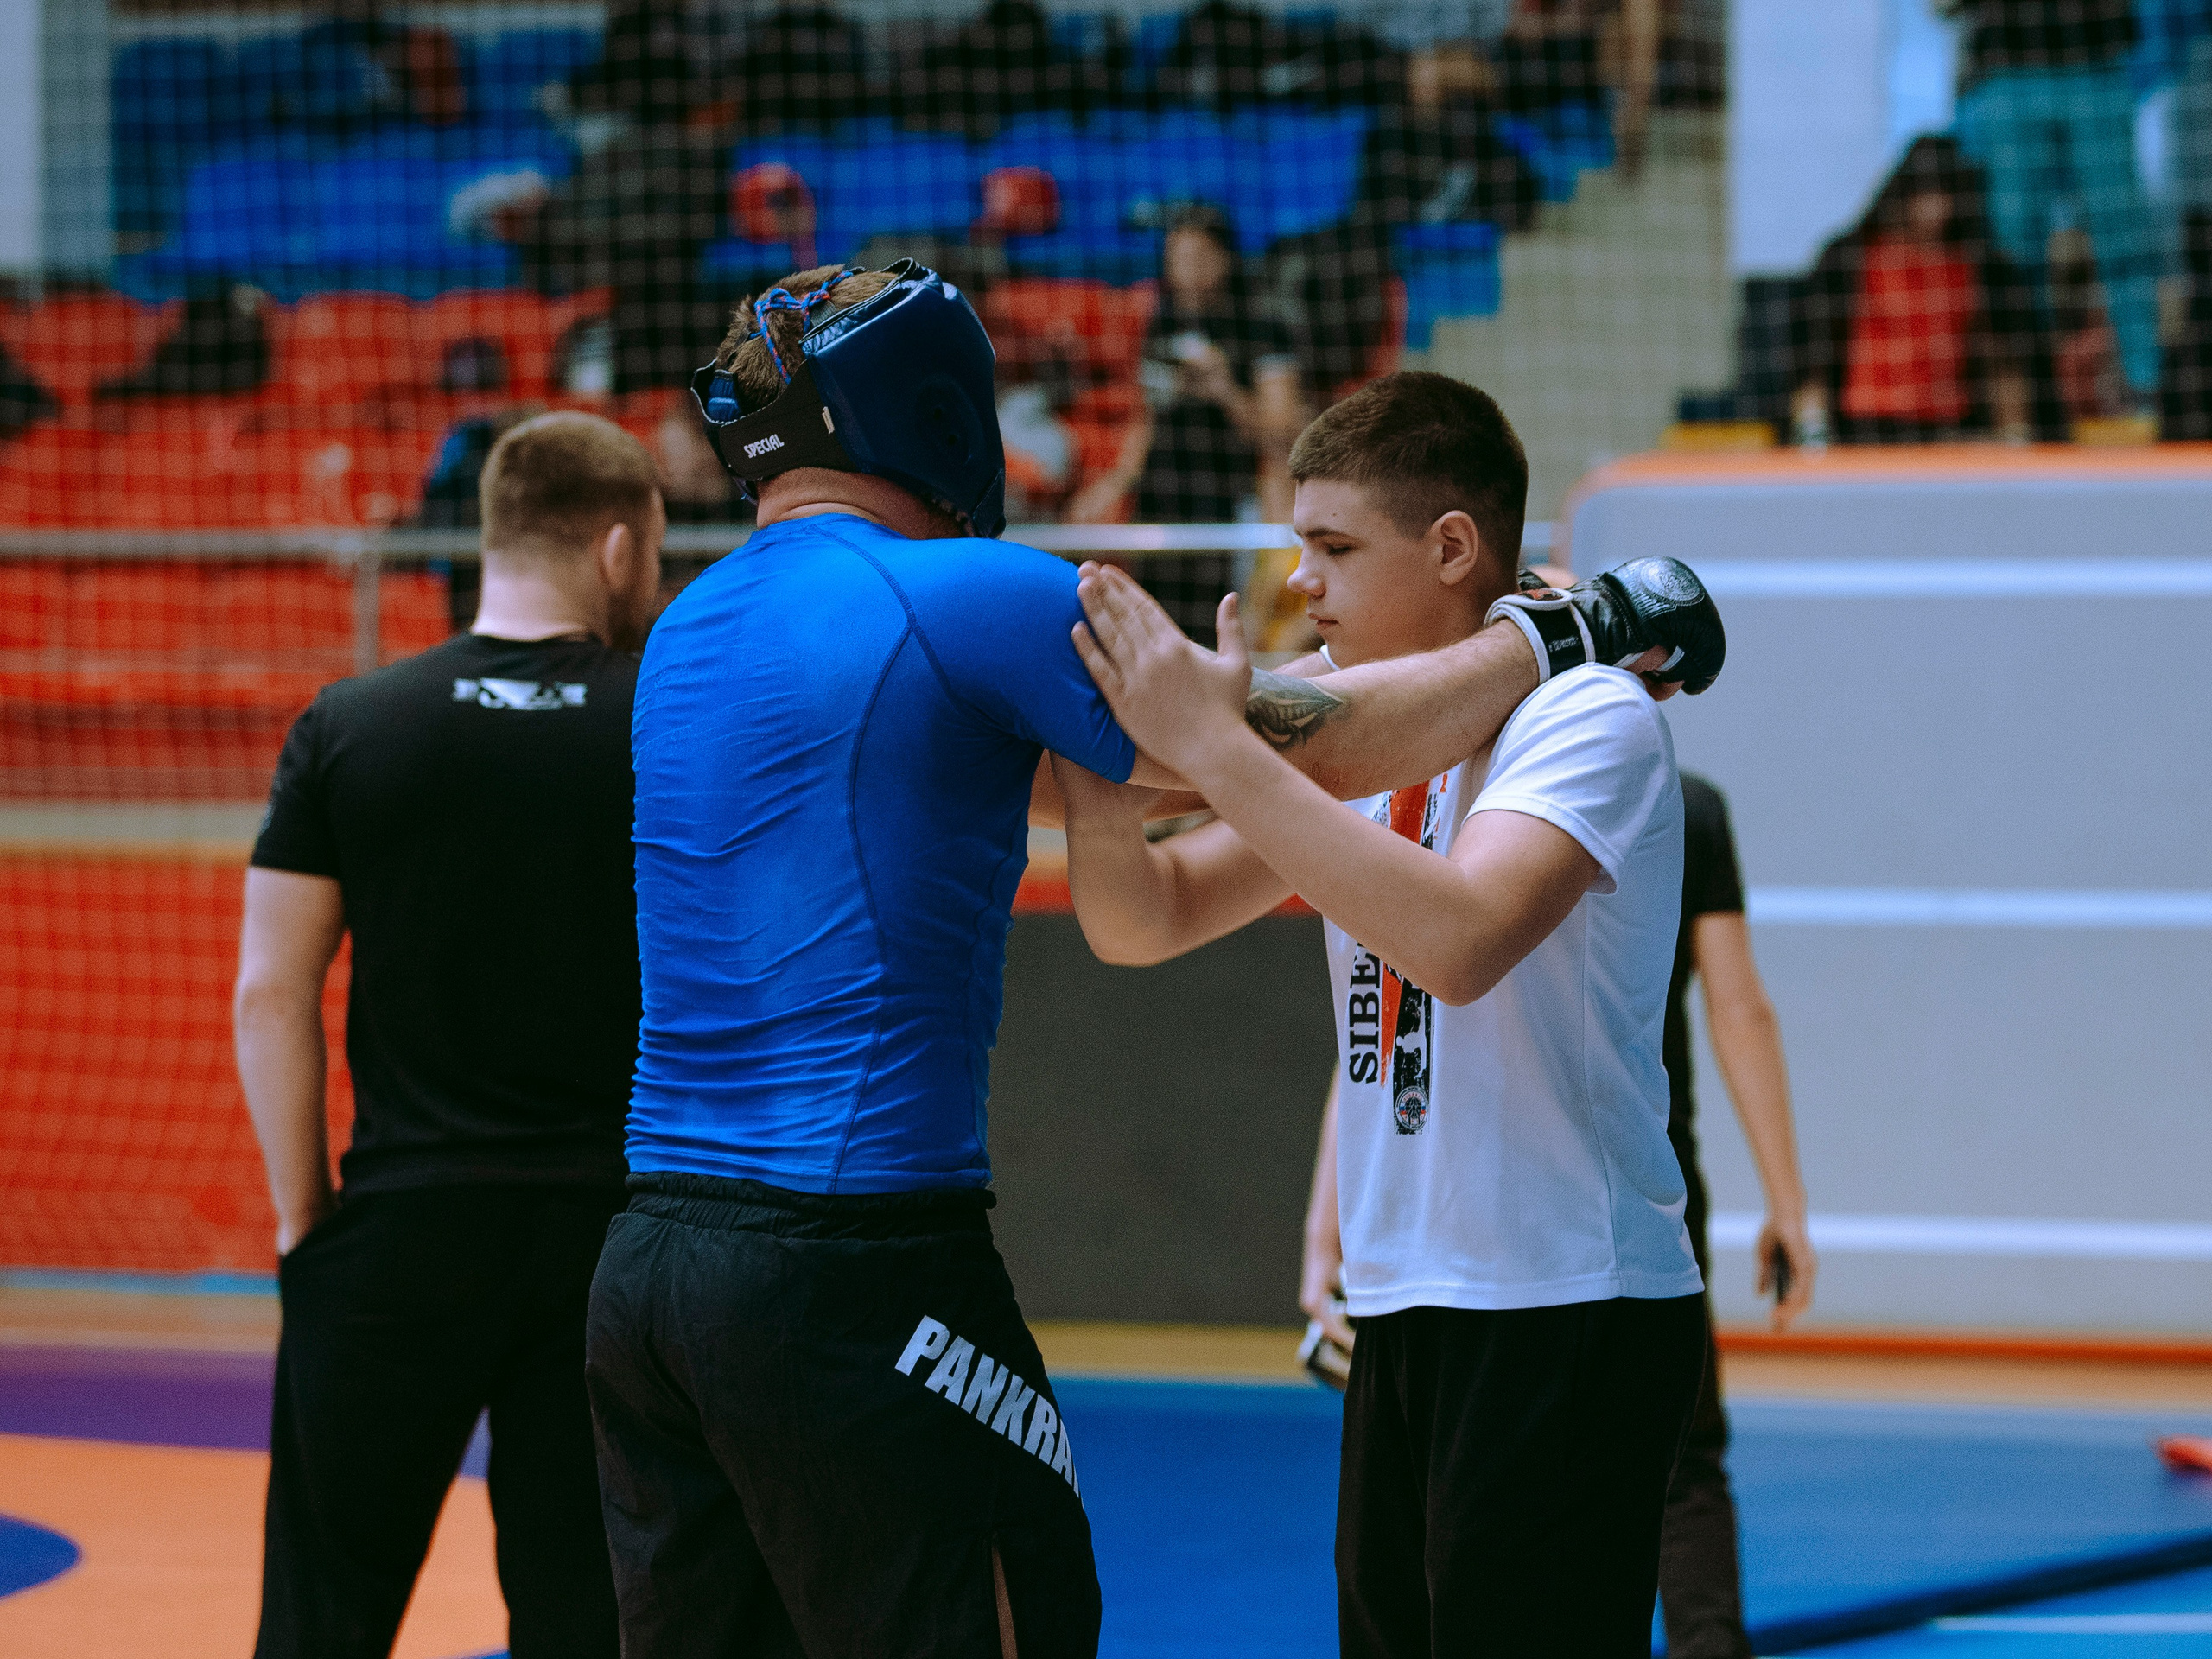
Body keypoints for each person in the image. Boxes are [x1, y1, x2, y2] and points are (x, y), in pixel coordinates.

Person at [582, 262, 1724, 1656]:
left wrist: (1193, 745)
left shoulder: (690, 625)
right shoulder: (964, 595)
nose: (1296, 581)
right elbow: (1271, 760)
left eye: (1332, 549)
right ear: (943, 412)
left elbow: (1291, 842)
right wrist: (1571, 623)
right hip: (850, 1251)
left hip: (650, 1259)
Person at [1051, 370, 1725, 1656]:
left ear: (1454, 548)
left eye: (1336, 548)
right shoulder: (1363, 753)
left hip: (1563, 1302)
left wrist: (1221, 749)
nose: (1304, 582)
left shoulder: (1590, 715)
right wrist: (1098, 764)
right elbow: (1151, 919)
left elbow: (1461, 940)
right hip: (1410, 1296)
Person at [234, 411, 664, 1659]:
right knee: (588, 1616)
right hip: (613, 1236)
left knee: (322, 1613)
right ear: (624, 546)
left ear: (488, 538)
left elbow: (273, 990)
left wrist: (303, 1219)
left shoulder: (350, 722)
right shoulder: (662, 720)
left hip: (400, 1229)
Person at [1649, 771, 1816, 1659]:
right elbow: (1738, 1005)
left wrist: (1330, 1223)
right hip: (1650, 1181)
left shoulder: (1465, 789)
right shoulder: (1683, 803)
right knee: (1684, 1460)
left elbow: (1394, 1003)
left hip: (1505, 1190)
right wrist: (1784, 1201)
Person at [1065, 203, 1310, 635]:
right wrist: (1115, 481)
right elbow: (1146, 417)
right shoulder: (1162, 323)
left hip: (1232, 501)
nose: (1185, 271)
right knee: (1163, 631)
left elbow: (1281, 436)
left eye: (1196, 258)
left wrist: (1225, 389)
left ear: (1225, 259)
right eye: (1176, 259)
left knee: (1227, 633)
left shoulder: (1263, 327)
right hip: (1163, 499)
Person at [1940, 0, 2159, 407]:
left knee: (2122, 236)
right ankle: (2031, 392)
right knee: (2013, 244)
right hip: (2007, 67)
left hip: (2095, 58)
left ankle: (2143, 388)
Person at [1791, 136, 2045, 446]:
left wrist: (2015, 437)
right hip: (1865, 430)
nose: (1936, 211)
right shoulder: (1850, 258)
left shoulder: (1982, 267)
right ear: (1904, 193)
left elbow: (2003, 362)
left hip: (1948, 430)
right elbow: (1813, 362)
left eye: (1946, 196)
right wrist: (1813, 441)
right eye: (1926, 195)